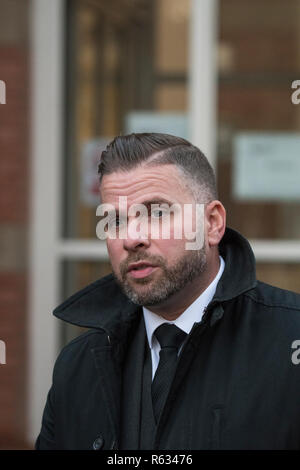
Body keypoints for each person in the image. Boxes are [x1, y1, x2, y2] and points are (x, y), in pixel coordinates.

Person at [35, 133, 300, 450]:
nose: (132, 238)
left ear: (212, 223)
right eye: (115, 219)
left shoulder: (289, 344)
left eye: (157, 213)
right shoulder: (79, 366)